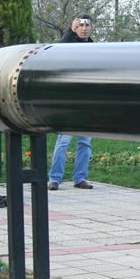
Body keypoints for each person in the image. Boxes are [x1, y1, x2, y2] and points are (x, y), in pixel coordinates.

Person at [48, 15, 95, 191]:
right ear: (75, 28)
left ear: (91, 28)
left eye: (87, 25)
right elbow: (59, 50)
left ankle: (80, 178)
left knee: (85, 142)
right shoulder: (69, 44)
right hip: (69, 99)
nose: (84, 28)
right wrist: (69, 31)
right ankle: (55, 179)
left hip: (87, 100)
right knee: (63, 140)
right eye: (80, 25)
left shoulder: (94, 48)